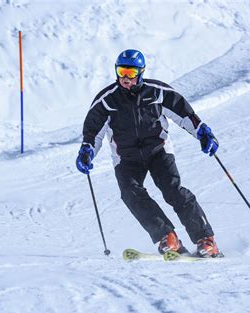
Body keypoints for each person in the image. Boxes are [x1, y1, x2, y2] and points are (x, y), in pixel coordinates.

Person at [76, 49, 222, 258]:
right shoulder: (107, 100)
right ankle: (167, 236)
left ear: (141, 72)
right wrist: (87, 151)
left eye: (130, 72)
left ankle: (206, 239)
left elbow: (185, 115)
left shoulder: (157, 92)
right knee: (130, 194)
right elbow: (93, 134)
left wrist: (202, 133)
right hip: (126, 158)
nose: (125, 78)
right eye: (121, 71)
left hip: (158, 150)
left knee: (173, 190)